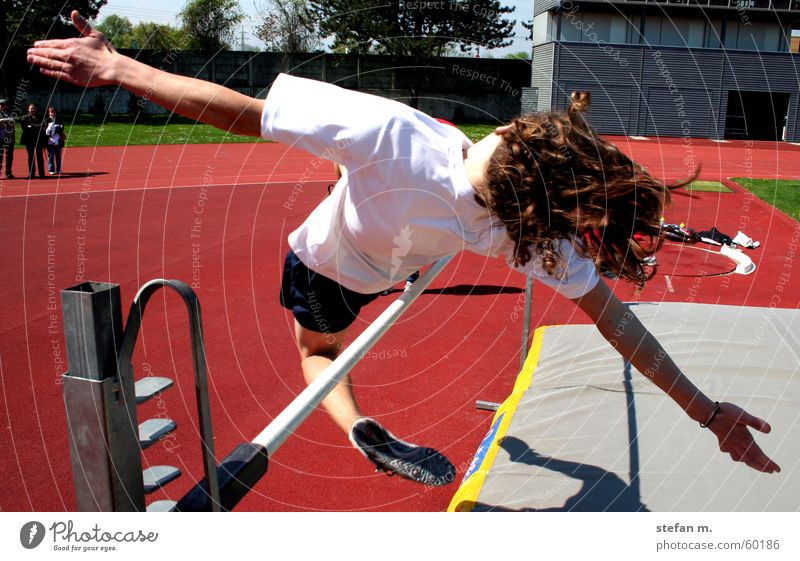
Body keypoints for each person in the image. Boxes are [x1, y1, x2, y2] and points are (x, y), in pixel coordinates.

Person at [27, 12, 780, 487]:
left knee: (318, 357)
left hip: (319, 268)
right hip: (391, 269)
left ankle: (356, 427)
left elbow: (241, 112)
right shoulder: (522, 235)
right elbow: (622, 324)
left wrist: (117, 67)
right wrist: (708, 413)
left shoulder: (395, 134)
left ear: (517, 137)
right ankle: (364, 384)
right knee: (366, 259)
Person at [20, 103, 47, 179]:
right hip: (29, 139)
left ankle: (42, 174)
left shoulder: (41, 117)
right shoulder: (24, 118)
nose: (32, 110)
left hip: (39, 139)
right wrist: (38, 126)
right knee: (31, 156)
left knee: (40, 156)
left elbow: (44, 125)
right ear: (28, 109)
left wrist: (32, 125)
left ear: (36, 109)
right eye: (31, 108)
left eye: (34, 108)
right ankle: (31, 174)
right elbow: (25, 128)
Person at [45, 106, 65, 175]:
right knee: (50, 155)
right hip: (49, 141)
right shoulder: (46, 120)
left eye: (54, 112)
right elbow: (44, 130)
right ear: (49, 113)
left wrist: (57, 127)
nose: (52, 113)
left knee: (58, 155)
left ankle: (59, 169)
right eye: (51, 112)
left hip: (58, 140)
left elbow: (62, 128)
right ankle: (51, 169)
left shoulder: (59, 119)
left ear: (56, 113)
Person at [0, 98, 16, 179]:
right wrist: (7, 121)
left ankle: (8, 172)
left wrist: (2, 121)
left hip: (9, 138)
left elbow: (13, 122)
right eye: (0, 104)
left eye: (2, 104)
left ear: (5, 105)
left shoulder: (10, 113)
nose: (1, 106)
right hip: (0, 138)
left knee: (9, 156)